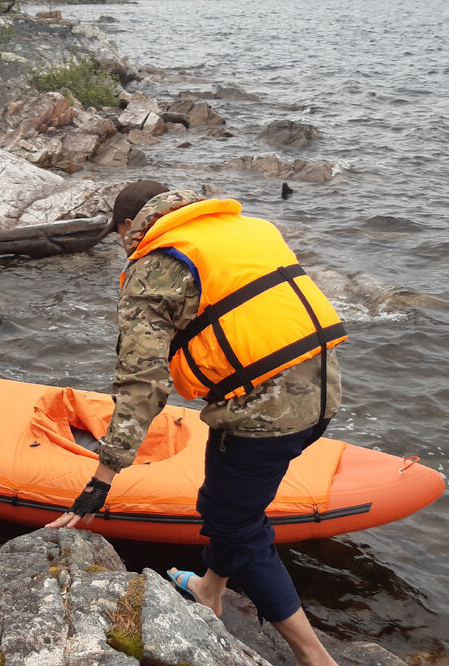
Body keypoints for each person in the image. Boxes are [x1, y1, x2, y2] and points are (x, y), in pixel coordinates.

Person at [46, 181, 346, 666]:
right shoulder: (241, 228)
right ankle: (209, 589)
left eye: (118, 235)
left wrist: (102, 479)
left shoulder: (156, 266)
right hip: (323, 392)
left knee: (238, 527)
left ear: (128, 226)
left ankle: (315, 657)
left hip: (262, 416)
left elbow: (142, 384)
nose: (123, 244)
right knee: (222, 505)